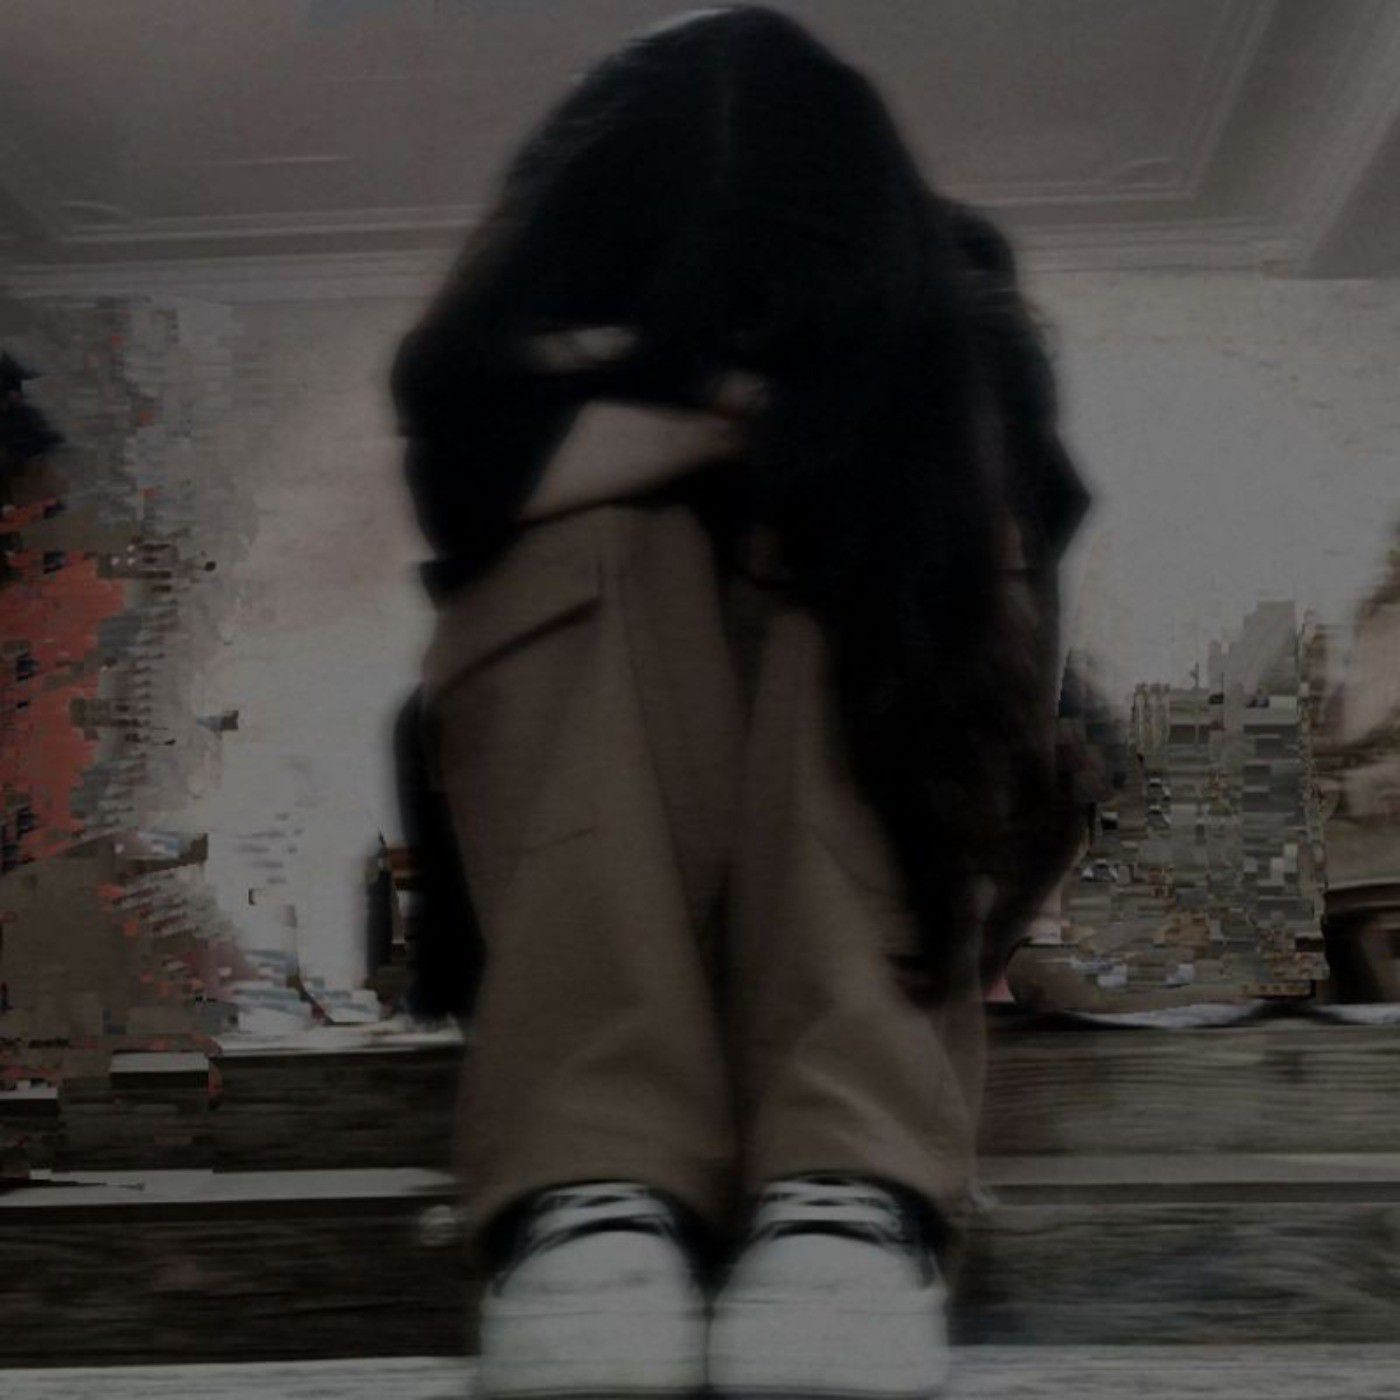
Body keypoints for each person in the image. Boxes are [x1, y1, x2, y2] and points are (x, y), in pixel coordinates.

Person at [390, 8, 1089, 1398]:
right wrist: (743, 413)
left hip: (898, 817)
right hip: (585, 870)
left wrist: (676, 410)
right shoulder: (511, 340)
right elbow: (471, 479)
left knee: (870, 536)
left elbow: (994, 638)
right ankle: (595, 1174)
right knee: (591, 540)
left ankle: (850, 1175)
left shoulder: (959, 322)